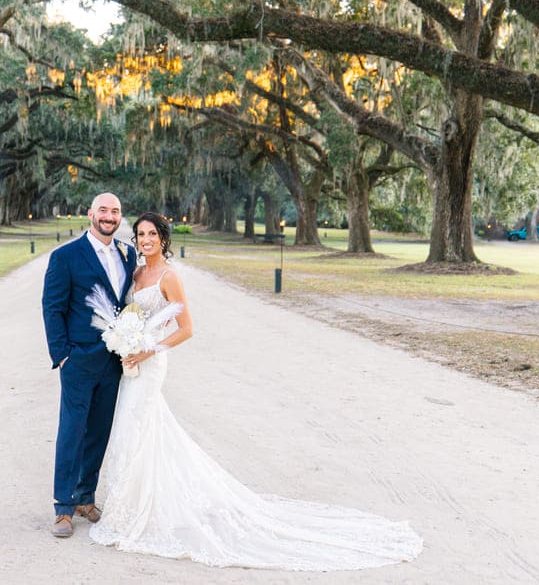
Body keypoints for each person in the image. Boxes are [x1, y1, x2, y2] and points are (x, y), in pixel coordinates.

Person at [88, 212, 424, 571]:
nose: (145, 240)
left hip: (152, 362)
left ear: (163, 238)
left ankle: (140, 509)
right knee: (135, 426)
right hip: (133, 362)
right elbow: (133, 315)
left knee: (141, 424)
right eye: (140, 234)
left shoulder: (170, 276)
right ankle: (133, 503)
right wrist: (126, 342)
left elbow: (186, 329)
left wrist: (149, 349)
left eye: (152, 233)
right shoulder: (137, 274)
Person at [40, 192, 137, 538]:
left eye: (115, 211)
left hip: (113, 360)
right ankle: (63, 507)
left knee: (99, 431)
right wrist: (62, 354)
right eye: (103, 210)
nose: (109, 216)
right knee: (72, 431)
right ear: (90, 214)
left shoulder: (128, 254)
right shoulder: (65, 256)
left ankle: (85, 497)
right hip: (78, 358)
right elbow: (52, 307)